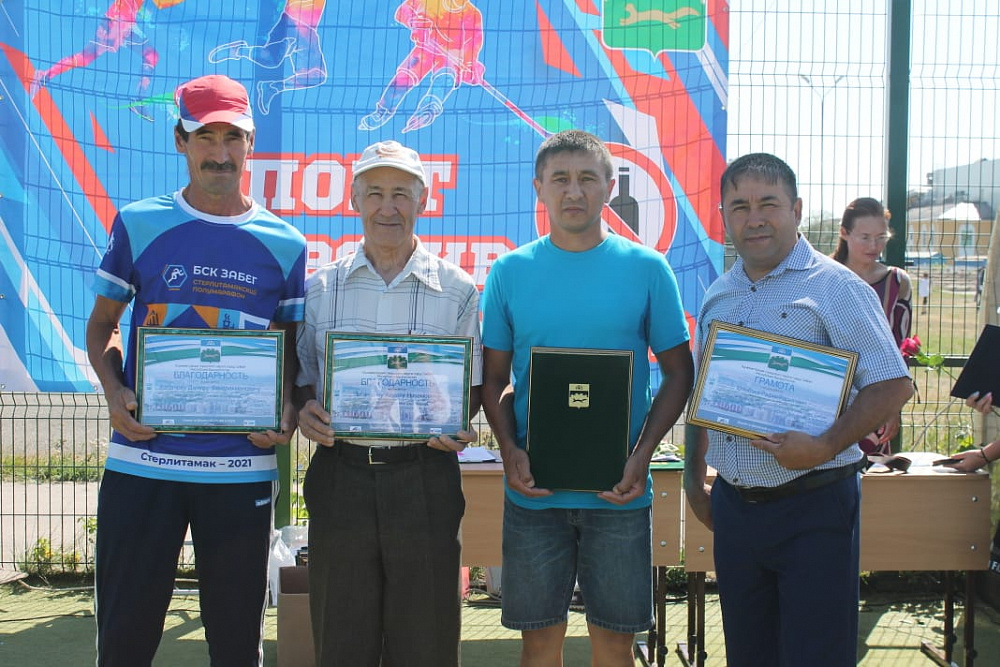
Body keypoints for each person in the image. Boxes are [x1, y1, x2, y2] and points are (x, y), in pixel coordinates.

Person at [86, 74, 307, 665]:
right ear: (180, 141)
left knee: (236, 647)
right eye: (205, 136)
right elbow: (103, 325)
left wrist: (286, 405)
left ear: (251, 143)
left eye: (233, 136)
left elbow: (288, 349)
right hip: (143, 463)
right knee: (124, 643)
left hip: (239, 470)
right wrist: (113, 390)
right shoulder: (139, 223)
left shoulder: (286, 244)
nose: (220, 152)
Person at [684, 153, 913, 666]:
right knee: (749, 654)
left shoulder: (837, 287)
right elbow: (703, 395)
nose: (754, 218)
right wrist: (694, 482)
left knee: (815, 656)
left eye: (769, 204)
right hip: (736, 509)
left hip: (814, 506)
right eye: (739, 206)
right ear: (723, 216)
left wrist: (824, 445)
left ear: (797, 210)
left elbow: (893, 384)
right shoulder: (719, 295)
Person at [480, 129, 694, 666]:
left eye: (586, 179)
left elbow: (678, 373)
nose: (573, 191)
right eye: (560, 179)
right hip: (535, 496)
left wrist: (641, 456)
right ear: (539, 188)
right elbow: (494, 379)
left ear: (609, 187)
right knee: (538, 645)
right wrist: (510, 450)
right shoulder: (509, 272)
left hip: (619, 494)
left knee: (616, 646)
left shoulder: (648, 269)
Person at [295, 139, 483, 666]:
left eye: (401, 193)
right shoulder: (321, 288)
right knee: (341, 640)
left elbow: (469, 386)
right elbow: (304, 379)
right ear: (354, 201)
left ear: (423, 200)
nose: (388, 207)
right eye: (374, 193)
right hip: (342, 476)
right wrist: (306, 409)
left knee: (426, 643)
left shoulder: (458, 290)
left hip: (424, 476)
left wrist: (457, 420)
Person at [832, 197, 912, 455]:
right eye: (865, 237)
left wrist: (892, 405)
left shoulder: (897, 282)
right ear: (844, 233)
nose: (874, 246)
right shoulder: (822, 277)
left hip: (874, 397)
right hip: (827, 395)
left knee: (873, 471)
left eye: (881, 237)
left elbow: (899, 349)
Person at [358, 0, 486, 133]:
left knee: (445, 77)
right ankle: (383, 111)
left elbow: (473, 44)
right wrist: (415, 23)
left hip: (450, 56)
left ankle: (428, 110)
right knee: (405, 76)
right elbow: (402, 11)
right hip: (426, 49)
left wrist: (469, 64)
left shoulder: (472, 14)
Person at [30, 0, 159, 120]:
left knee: (151, 56)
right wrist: (118, 33)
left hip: (121, 23)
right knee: (85, 57)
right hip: (117, 23)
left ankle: (139, 98)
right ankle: (43, 76)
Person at [208, 0, 328, 114]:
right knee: (271, 59)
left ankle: (273, 87)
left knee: (316, 75)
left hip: (307, 32)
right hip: (291, 24)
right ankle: (238, 51)